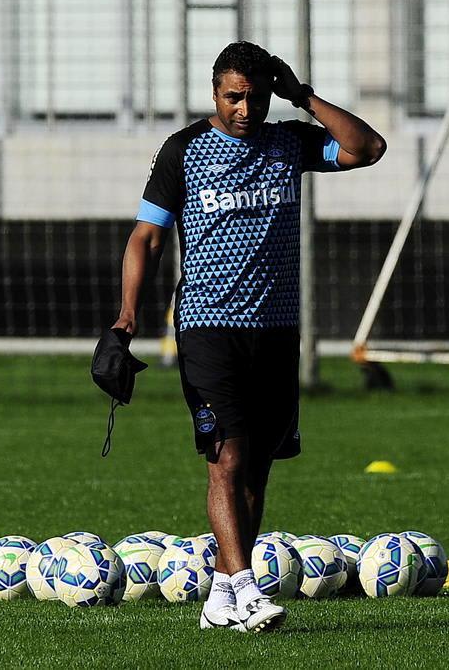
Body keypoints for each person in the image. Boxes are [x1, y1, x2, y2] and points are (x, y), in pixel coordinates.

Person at [113, 41, 386, 632]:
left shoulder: (289, 142)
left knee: (258, 465)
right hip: (208, 328)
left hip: (277, 329)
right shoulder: (183, 151)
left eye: (257, 97)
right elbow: (146, 238)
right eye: (235, 97)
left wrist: (303, 96)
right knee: (226, 458)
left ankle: (220, 599)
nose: (245, 108)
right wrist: (125, 319)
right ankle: (245, 586)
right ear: (215, 93)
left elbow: (368, 148)